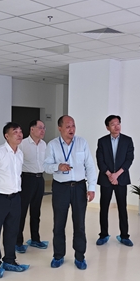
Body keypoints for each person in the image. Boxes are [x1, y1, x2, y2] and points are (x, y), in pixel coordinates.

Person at [44, 115, 97, 270]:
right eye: (67, 126)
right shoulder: (52, 145)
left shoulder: (82, 143)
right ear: (60, 128)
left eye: (73, 126)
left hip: (79, 187)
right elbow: (46, 166)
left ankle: (80, 256)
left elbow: (90, 166)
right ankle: (58, 255)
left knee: (79, 224)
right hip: (61, 188)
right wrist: (57, 167)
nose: (71, 129)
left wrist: (91, 188)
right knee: (59, 223)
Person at [0, 122, 29, 279]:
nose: (19, 134)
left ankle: (9, 260)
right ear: (6, 136)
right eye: (15, 132)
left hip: (15, 198)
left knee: (12, 230)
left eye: (20, 131)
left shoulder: (19, 153)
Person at [96, 115, 135, 247]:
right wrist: (109, 175)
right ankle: (103, 234)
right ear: (107, 127)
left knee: (122, 208)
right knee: (104, 208)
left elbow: (129, 159)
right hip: (106, 179)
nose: (117, 126)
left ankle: (124, 236)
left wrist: (116, 175)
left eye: (118, 123)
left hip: (121, 179)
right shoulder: (102, 141)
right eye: (113, 124)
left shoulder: (127, 140)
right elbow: (100, 161)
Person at [16, 120, 48, 253]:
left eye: (44, 128)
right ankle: (17, 242)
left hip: (40, 179)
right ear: (32, 129)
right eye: (40, 128)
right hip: (26, 179)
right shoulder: (22, 144)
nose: (43, 130)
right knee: (21, 212)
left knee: (36, 211)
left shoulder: (44, 144)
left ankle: (35, 239)